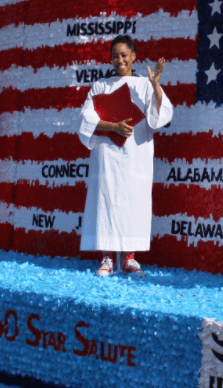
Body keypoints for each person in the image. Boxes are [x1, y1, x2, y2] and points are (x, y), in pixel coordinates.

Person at [77, 35, 173, 277]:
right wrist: (113, 126)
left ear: (133, 57)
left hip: (135, 158)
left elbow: (159, 117)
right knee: (106, 202)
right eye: (115, 55)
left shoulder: (144, 84)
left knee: (133, 205)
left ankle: (129, 259)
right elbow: (85, 120)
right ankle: (108, 258)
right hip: (107, 157)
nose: (119, 60)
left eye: (124, 55)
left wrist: (156, 86)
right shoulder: (101, 86)